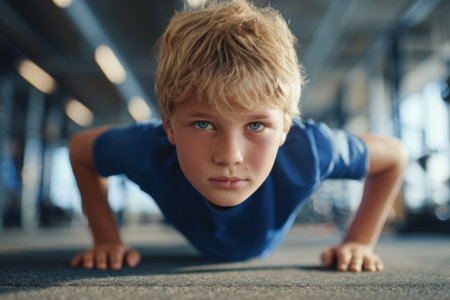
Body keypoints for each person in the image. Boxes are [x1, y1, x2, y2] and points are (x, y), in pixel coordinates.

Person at [69, 0, 408, 272]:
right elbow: (80, 149)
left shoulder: (311, 150)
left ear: (285, 129)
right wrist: (106, 239)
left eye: (256, 125)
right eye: (204, 124)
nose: (230, 156)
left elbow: (393, 156)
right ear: (170, 126)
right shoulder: (146, 150)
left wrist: (360, 241)